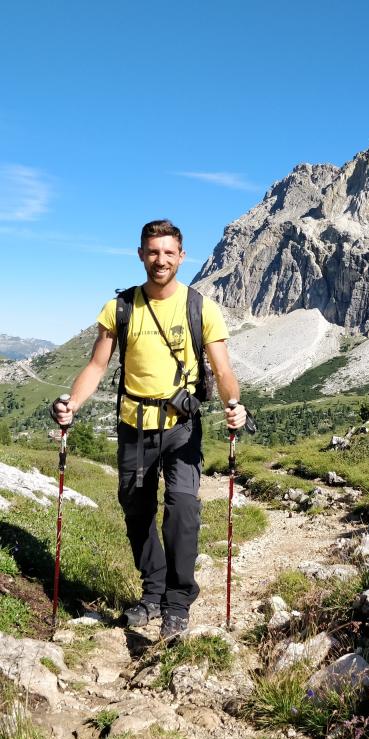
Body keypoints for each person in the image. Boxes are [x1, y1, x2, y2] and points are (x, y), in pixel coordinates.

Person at [51, 219, 246, 639]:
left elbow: (223, 368)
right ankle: (152, 592)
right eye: (152, 252)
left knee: (182, 508)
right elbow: (97, 365)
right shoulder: (119, 307)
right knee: (137, 511)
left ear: (181, 256)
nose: (161, 260)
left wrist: (235, 405)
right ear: (141, 254)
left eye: (168, 253)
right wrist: (72, 404)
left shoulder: (200, 307)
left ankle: (177, 602)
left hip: (182, 427)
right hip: (133, 427)